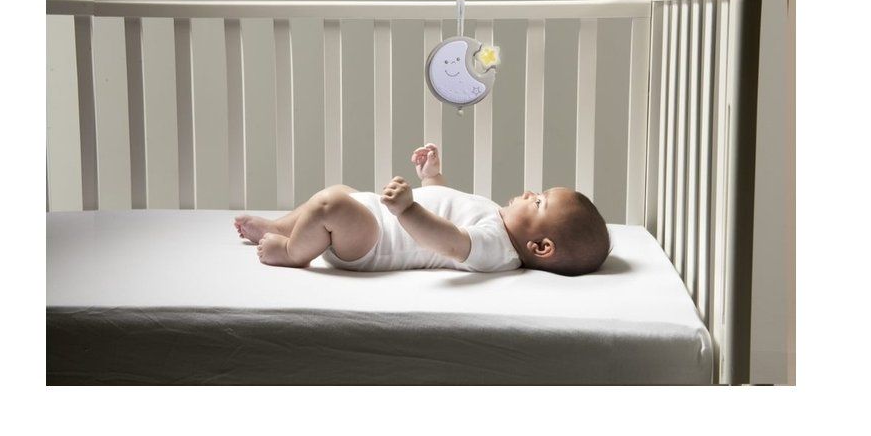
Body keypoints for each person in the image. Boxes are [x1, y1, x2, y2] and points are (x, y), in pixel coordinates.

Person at [234, 143, 610, 276]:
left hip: (372, 244)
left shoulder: (497, 249)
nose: (529, 193)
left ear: (540, 247)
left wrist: (408, 210)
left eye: (539, 201)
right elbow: (444, 207)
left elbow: (446, 240)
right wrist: (432, 177)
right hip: (376, 218)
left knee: (331, 203)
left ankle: (291, 252)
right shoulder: (496, 216)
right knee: (341, 193)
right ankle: (281, 227)